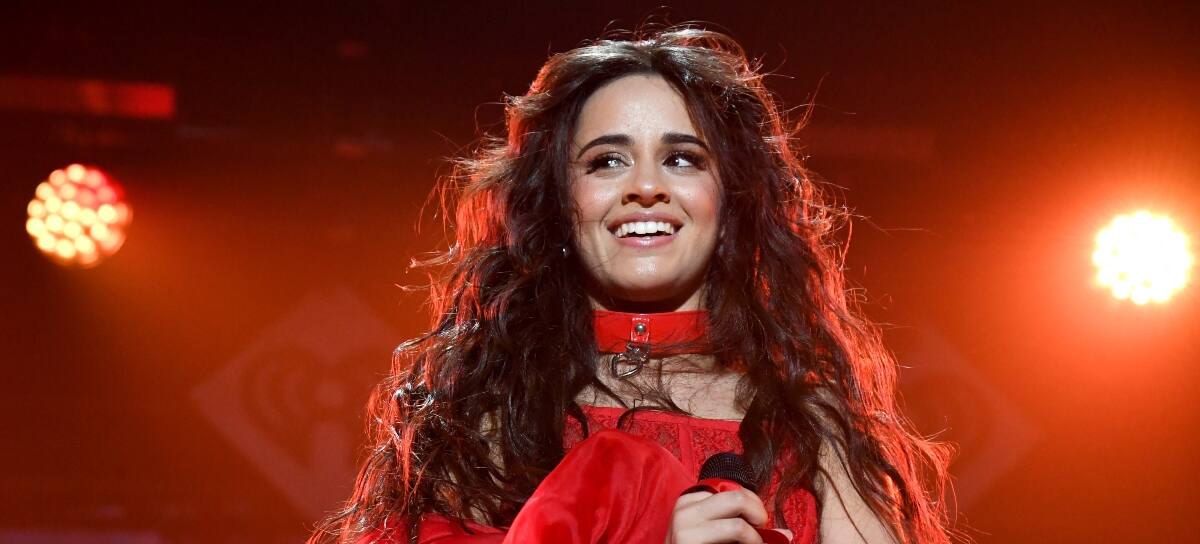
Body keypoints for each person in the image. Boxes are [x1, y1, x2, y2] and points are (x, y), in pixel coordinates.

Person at [309, 27, 954, 544]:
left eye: (682, 158)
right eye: (607, 161)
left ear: (730, 202)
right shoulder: (488, 414)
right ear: (560, 203)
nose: (646, 186)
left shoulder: (809, 422)